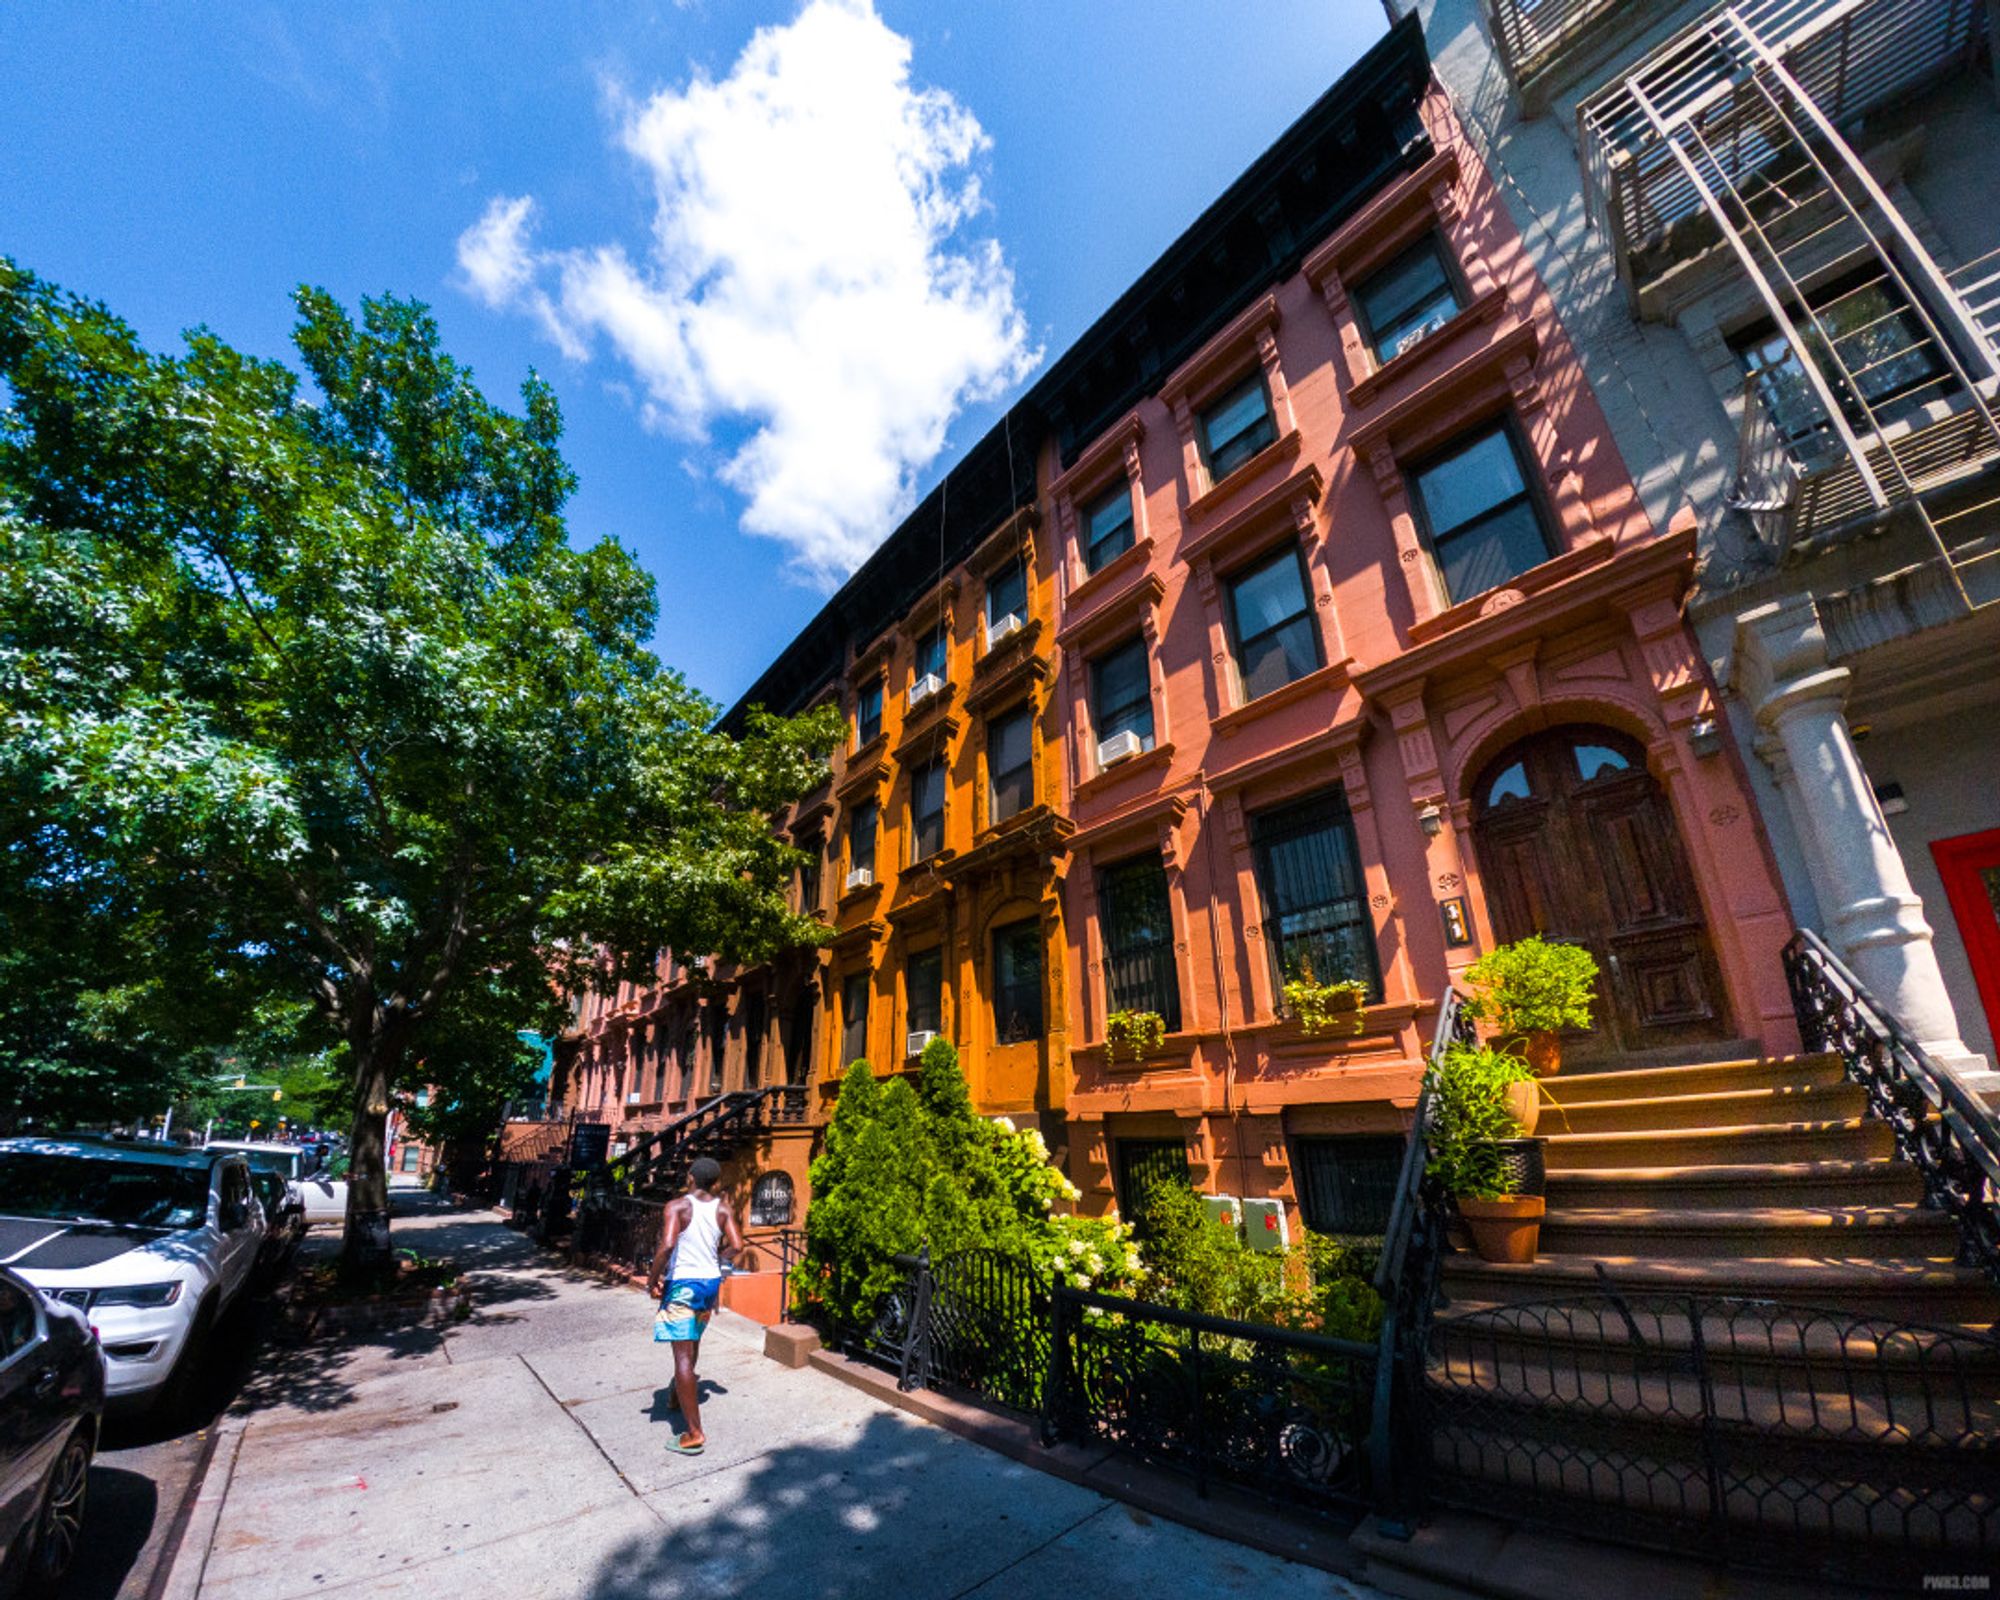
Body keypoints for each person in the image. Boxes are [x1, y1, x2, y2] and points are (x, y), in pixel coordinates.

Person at [645, 1156, 744, 1456]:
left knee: (683, 1357)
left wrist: (652, 1280)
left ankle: (694, 1433)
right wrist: (717, 1259)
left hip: (683, 1284)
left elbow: (667, 1245)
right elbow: (738, 1246)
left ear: (690, 1177)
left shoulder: (677, 1207)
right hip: (709, 1284)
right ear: (714, 1183)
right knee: (694, 1338)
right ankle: (677, 1394)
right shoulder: (723, 1209)